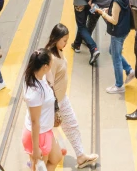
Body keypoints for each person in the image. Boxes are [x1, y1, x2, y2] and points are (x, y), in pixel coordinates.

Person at [45, 25, 99, 168]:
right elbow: (49, 84)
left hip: (62, 98)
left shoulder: (58, 51)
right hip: (54, 102)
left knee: (71, 125)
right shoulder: (50, 58)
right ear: (55, 39)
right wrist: (56, 108)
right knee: (46, 132)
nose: (66, 43)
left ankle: (80, 156)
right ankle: (39, 159)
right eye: (64, 40)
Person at [20, 49, 62, 169]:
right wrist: (35, 148)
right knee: (39, 167)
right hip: (39, 135)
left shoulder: (36, 75)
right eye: (50, 63)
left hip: (45, 130)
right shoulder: (35, 92)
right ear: (45, 66)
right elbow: (35, 122)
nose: (52, 64)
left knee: (56, 157)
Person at [95, 0, 134, 95]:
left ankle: (119, 85)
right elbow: (121, 10)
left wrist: (102, 13)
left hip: (118, 32)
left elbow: (114, 20)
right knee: (113, 51)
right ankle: (129, 70)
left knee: (116, 58)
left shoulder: (116, 0)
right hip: (125, 29)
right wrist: (110, 9)